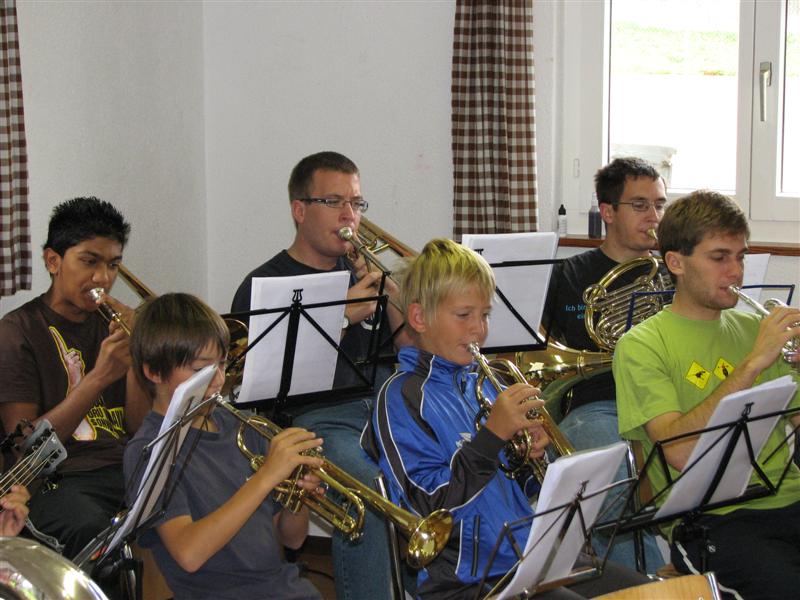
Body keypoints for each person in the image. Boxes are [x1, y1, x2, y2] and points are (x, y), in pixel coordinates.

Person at [362, 238, 648, 599]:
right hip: (468, 582)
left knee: (652, 592)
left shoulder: (481, 384)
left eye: (484, 315)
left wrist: (530, 458)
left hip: (528, 558)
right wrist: (492, 436)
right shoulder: (401, 397)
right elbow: (430, 507)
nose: (478, 329)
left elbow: (520, 491)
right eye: (463, 315)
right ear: (419, 318)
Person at [231, 151, 403, 600]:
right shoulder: (264, 285)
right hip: (313, 419)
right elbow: (261, 386)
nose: (350, 215)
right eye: (334, 202)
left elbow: (410, 350)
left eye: (357, 203)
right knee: (370, 493)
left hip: (384, 407)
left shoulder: (365, 273)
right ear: (299, 210)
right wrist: (342, 316)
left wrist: (393, 292)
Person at [613, 190, 800, 599]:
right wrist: (752, 364)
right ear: (676, 263)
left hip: (788, 497)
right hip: (711, 521)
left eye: (740, 256)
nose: (736, 272)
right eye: (719, 257)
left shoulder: (753, 327)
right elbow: (680, 452)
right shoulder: (641, 345)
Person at [124, 293, 323, 599]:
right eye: (201, 370)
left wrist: (298, 497)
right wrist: (266, 476)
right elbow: (189, 554)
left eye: (222, 364)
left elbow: (292, 540)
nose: (218, 380)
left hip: (284, 588)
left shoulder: (246, 429)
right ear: (154, 372)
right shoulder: (149, 450)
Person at [0, 197, 148, 559]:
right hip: (58, 479)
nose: (103, 278)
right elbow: (25, 448)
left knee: (194, 496)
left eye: (113, 265)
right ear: (53, 261)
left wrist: (136, 354)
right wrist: (98, 378)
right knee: (95, 530)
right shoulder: (18, 332)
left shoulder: (112, 325)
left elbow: (138, 425)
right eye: (89, 261)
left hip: (122, 466)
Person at [542, 157, 667, 570]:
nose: (654, 217)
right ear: (607, 212)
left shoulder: (672, 274)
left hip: (664, 404)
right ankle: (651, 587)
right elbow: (537, 349)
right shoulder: (568, 274)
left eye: (659, 205)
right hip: (597, 404)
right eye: (640, 205)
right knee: (617, 489)